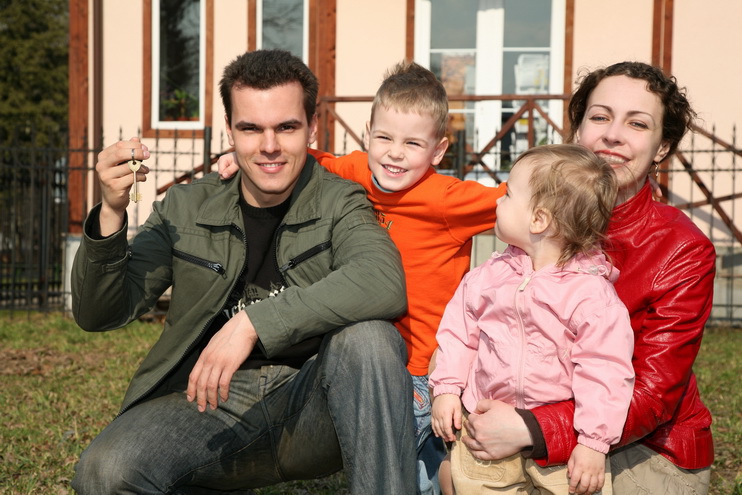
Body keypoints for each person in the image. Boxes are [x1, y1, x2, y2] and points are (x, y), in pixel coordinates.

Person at [70, 49, 417, 494]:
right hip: (205, 405)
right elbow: (98, 313)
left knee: (370, 339)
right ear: (230, 130)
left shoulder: (341, 200)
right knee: (104, 472)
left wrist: (253, 323)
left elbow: (382, 281)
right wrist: (111, 213)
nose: (269, 146)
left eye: (286, 127)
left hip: (312, 401)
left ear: (312, 127)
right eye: (251, 128)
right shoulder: (184, 207)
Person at [219, 60, 508, 494]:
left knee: (418, 473)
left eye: (413, 143)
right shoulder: (353, 172)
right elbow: (299, 160)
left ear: (438, 151)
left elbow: (523, 198)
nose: (395, 153)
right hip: (362, 360)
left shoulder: (448, 199)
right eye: (385, 138)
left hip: (422, 369)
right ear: (368, 133)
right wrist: (238, 160)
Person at [461, 62, 716, 494]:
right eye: (600, 117)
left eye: (637, 123)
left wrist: (531, 427)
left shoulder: (682, 248)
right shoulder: (533, 221)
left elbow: (653, 395)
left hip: (644, 444)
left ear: (661, 147)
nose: (613, 135)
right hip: (518, 422)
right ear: (578, 131)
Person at [429, 144, 635, 495]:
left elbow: (605, 370)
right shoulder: (488, 276)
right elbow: (458, 335)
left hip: (561, 445)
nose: (498, 200)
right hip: (484, 427)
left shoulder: (591, 295)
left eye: (508, 194)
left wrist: (593, 442)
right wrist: (447, 389)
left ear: (539, 219)